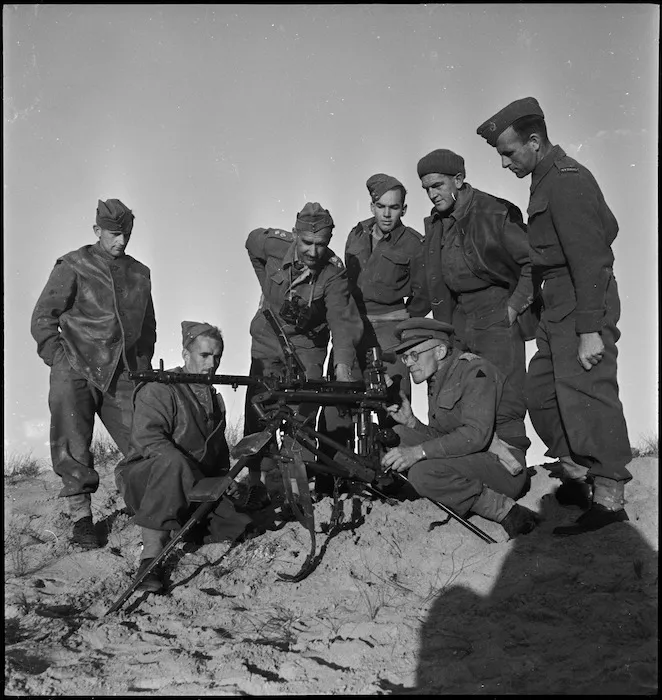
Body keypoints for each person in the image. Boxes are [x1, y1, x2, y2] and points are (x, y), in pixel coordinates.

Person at [476, 96, 632, 534]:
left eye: (508, 153)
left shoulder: (567, 181)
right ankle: (580, 471)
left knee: (590, 391)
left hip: (583, 299)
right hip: (555, 302)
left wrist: (590, 330)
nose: (505, 164)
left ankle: (610, 495)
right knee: (541, 392)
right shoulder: (544, 179)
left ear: (534, 140)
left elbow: (592, 259)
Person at [30, 198, 156, 550]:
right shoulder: (73, 265)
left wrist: (140, 370)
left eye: (126, 234)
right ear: (97, 230)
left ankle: (145, 507)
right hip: (76, 368)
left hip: (124, 375)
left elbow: (148, 327)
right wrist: (60, 361)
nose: (120, 241)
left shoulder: (140, 273)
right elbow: (43, 318)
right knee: (72, 445)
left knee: (143, 443)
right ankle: (81, 517)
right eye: (114, 234)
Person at [115, 322, 253, 593]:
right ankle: (150, 559)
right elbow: (149, 440)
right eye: (204, 356)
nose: (211, 364)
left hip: (191, 484)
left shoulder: (215, 400)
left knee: (239, 525)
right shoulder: (160, 388)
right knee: (172, 463)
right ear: (185, 354)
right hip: (149, 479)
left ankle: (181, 527)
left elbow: (218, 458)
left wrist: (223, 483)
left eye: (217, 357)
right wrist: (194, 477)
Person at [243, 202, 364, 507]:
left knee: (304, 412)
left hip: (308, 345)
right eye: (307, 243)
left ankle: (296, 488)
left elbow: (341, 322)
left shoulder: (334, 274)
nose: (313, 251)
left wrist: (342, 367)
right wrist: (265, 286)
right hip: (269, 337)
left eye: (321, 244)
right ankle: (254, 479)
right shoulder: (271, 243)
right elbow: (250, 244)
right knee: (259, 407)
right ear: (295, 234)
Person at [415, 148, 536, 454]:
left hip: (496, 311)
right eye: (427, 188)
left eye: (438, 185)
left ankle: (510, 468)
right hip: (459, 317)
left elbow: (533, 261)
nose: (432, 194)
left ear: (458, 179)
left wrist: (512, 308)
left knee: (504, 396)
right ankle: (472, 466)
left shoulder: (491, 212)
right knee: (462, 393)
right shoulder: (437, 222)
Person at [381, 318, 540, 540]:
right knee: (396, 436)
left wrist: (417, 453)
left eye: (414, 355)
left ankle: (507, 511)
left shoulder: (475, 371)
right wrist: (411, 422)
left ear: (439, 351)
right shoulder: (438, 378)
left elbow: (476, 436)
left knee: (422, 472)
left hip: (502, 464)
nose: (408, 363)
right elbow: (446, 438)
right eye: (405, 356)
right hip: (473, 457)